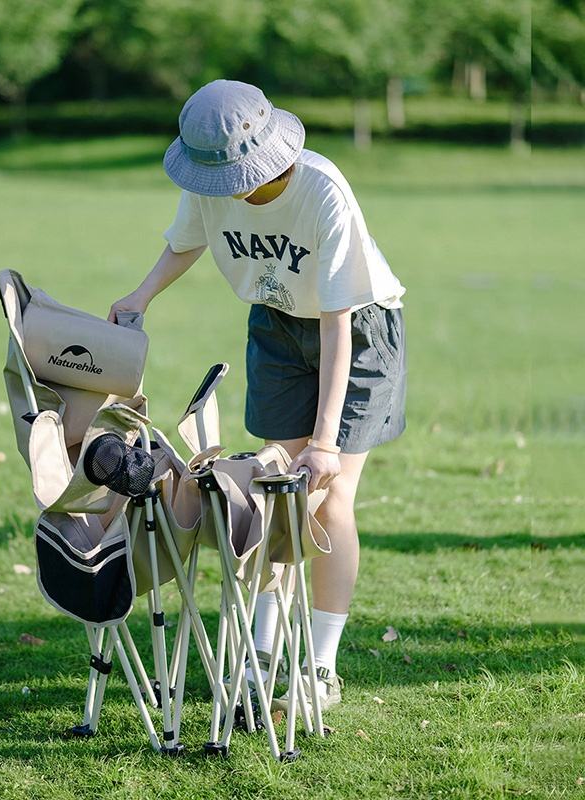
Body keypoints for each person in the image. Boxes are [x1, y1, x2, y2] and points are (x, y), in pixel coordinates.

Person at [108, 79, 407, 712]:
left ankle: (320, 668)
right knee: (273, 492)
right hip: (275, 323)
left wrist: (324, 441)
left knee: (329, 497)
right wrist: (140, 295)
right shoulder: (209, 179)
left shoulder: (322, 189)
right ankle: (261, 654)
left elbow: (338, 322)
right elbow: (186, 239)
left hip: (356, 329)